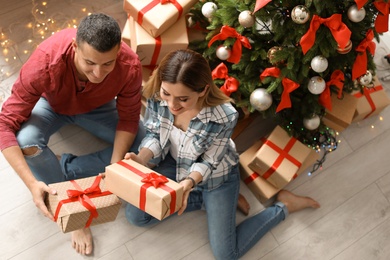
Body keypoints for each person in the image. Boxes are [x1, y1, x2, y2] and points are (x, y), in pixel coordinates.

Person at [124, 49, 320, 260]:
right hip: (175, 163)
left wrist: (188, 184)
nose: (172, 105)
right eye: (167, 94)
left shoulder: (224, 116)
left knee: (227, 255)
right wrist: (141, 158)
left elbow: (209, 161)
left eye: (182, 99)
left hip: (217, 177)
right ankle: (207, 202)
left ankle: (284, 207)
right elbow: (154, 133)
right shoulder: (156, 95)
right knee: (136, 215)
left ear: (202, 90)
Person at [0, 13, 145, 255]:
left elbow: (130, 118)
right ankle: (70, 207)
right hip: (51, 106)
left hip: (98, 108)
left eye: (107, 64)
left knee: (146, 144)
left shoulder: (130, 65)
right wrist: (32, 184)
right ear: (75, 46)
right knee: (27, 142)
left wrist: (115, 165)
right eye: (90, 62)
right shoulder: (45, 61)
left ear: (119, 50)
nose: (98, 74)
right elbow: (4, 124)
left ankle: (68, 167)